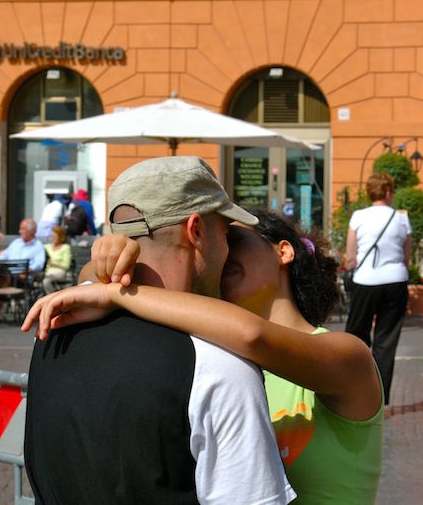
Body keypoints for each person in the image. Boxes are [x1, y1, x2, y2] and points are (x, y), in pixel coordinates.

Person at [24, 208, 384, 504]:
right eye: (218, 241)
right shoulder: (217, 348)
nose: (223, 252)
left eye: (234, 239)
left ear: (283, 251)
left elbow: (253, 335)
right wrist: (114, 255)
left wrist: (116, 294)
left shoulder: (349, 356)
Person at [23, 156, 294, 503]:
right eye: (226, 234)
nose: (228, 251)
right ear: (196, 230)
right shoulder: (219, 367)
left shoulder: (56, 330)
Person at [344, 172, 412, 405]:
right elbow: (406, 256)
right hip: (395, 281)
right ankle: (380, 399)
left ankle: (355, 391)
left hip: (365, 282)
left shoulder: (358, 217)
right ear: (389, 192)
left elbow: (351, 257)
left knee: (356, 336)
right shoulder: (401, 218)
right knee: (386, 340)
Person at [42, 225, 71, 294]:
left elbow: (66, 265)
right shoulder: (46, 247)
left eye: (54, 236)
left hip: (59, 272)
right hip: (47, 272)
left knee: (46, 281)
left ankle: (52, 298)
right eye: (51, 236)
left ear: (61, 237)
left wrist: (53, 264)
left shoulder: (65, 248)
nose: (52, 238)